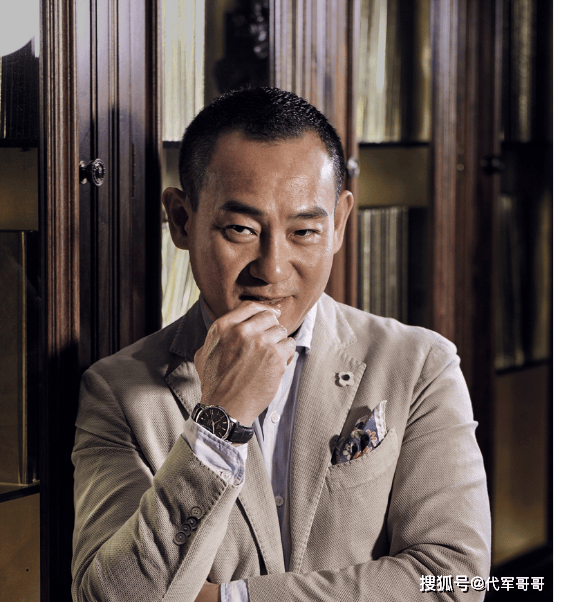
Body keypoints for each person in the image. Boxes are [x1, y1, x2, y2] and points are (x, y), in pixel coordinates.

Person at [71, 87, 491, 602]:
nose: (272, 269)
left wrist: (232, 598)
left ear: (339, 223)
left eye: (304, 232)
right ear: (181, 220)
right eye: (241, 229)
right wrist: (219, 423)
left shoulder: (419, 364)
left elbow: (457, 578)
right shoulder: (116, 391)